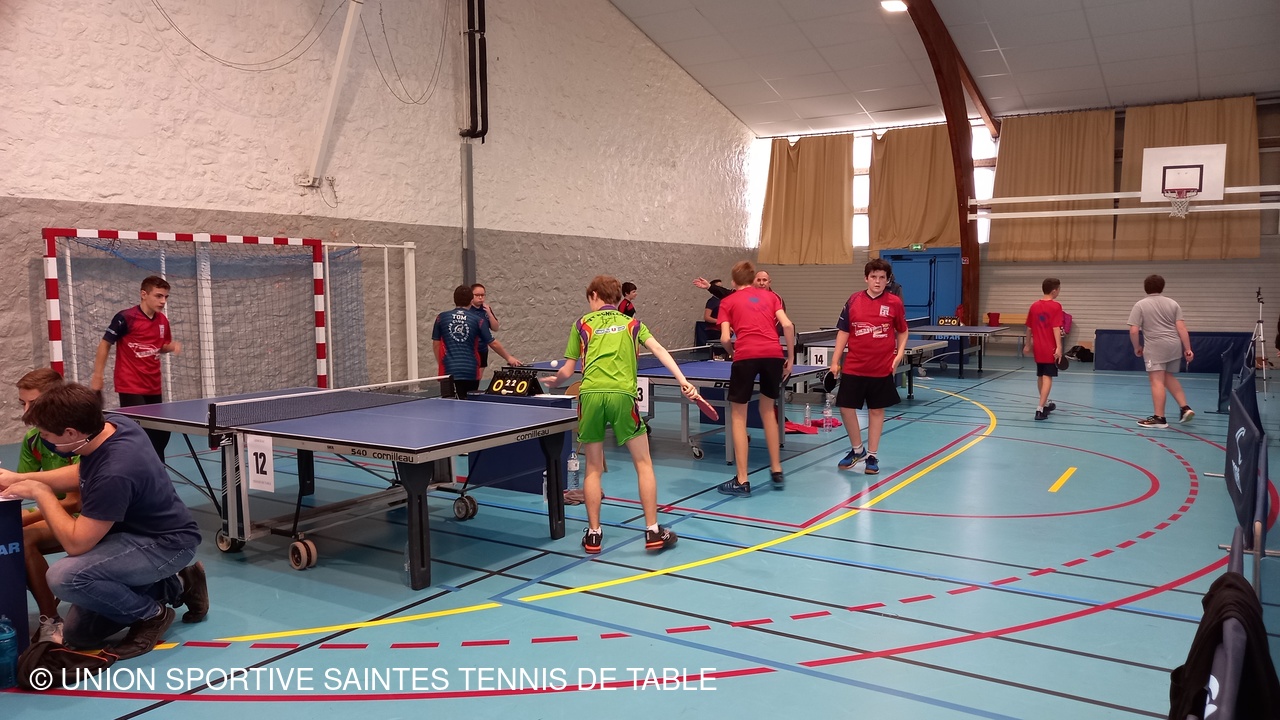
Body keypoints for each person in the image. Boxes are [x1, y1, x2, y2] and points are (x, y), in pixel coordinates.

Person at [0, 383, 208, 659]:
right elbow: (83, 473)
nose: (44, 439)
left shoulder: (115, 472)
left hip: (166, 544)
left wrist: (41, 492)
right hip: (127, 536)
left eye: (47, 435)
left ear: (71, 433)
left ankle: (152, 615)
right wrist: (19, 478)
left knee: (65, 577)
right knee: (79, 634)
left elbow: (77, 543)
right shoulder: (112, 425)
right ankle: (179, 583)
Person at [541, 275, 698, 554]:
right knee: (643, 463)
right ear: (615, 297)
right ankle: (652, 531)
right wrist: (682, 380)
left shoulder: (581, 324)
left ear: (594, 295)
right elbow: (659, 350)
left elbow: (567, 370)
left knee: (593, 468)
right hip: (622, 396)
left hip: (590, 395)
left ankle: (593, 535)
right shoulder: (632, 324)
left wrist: (556, 381)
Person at [715, 261, 794, 496]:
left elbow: (725, 338)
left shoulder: (727, 301)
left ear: (733, 282)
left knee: (738, 415)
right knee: (768, 410)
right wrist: (790, 357)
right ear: (752, 280)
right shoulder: (771, 297)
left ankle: (742, 479)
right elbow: (787, 325)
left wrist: (732, 352)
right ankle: (776, 469)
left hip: (746, 356)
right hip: (773, 355)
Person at [15, 369, 80, 643]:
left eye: (33, 403)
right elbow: (17, 488)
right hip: (56, 510)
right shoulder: (33, 439)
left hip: (87, 516)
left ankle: (51, 620)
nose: (26, 411)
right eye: (22, 403)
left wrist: (22, 520)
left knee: (22, 536)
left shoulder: (75, 436)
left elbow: (75, 501)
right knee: (9, 532)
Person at [828, 258, 909, 475]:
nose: (878, 281)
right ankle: (858, 450)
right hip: (854, 365)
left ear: (887, 280)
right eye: (874, 277)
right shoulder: (853, 300)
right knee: (845, 407)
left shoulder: (894, 303)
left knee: (876, 410)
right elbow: (844, 331)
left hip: (881, 367)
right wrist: (835, 361)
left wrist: (899, 353)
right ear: (866, 278)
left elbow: (902, 331)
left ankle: (872, 455)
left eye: (882, 277)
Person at [90, 275, 182, 461]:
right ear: (143, 294)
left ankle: (157, 469)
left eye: (165, 297)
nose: (163, 301)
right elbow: (105, 344)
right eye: (158, 296)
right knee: (139, 433)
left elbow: (157, 346)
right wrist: (98, 375)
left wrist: (170, 347)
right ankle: (139, 468)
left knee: (161, 434)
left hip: (153, 385)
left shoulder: (163, 321)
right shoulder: (126, 318)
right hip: (130, 384)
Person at [1128, 275, 1194, 428]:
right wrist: (1188, 349)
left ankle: (1159, 418)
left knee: (1156, 380)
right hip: (1174, 345)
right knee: (1167, 376)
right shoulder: (1173, 303)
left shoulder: (1140, 305)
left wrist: (1137, 347)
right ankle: (1185, 408)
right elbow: (1182, 328)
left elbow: (1134, 330)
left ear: (1145, 288)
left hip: (1156, 346)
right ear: (1162, 287)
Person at [433, 285, 520, 398]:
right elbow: (492, 343)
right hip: (470, 370)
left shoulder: (441, 318)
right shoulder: (477, 320)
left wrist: (441, 363)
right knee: (469, 403)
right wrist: (508, 358)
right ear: (471, 300)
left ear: (454, 299)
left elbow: (436, 344)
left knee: (448, 404)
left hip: (448, 370)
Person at [1025, 278, 1065, 421]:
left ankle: (1045, 403)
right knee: (1048, 376)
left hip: (1038, 347)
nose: (1059, 291)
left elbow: (1029, 328)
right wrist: (1059, 347)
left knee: (1041, 375)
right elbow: (1056, 328)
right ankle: (1040, 409)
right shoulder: (1056, 306)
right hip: (1050, 348)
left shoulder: (1034, 306)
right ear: (1054, 291)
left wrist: (1027, 344)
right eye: (1059, 289)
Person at [468, 283, 502, 370]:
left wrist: (489, 314)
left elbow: (495, 328)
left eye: (482, 295)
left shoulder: (486, 309)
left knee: (479, 375)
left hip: (482, 349)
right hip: (471, 350)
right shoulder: (468, 310)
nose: (480, 297)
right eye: (477, 295)